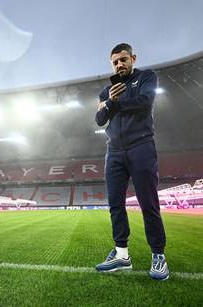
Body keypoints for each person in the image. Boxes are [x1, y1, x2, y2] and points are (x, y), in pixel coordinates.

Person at [95, 43, 168, 280]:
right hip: (114, 151)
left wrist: (114, 103)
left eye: (123, 59)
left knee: (148, 203)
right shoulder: (106, 91)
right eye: (115, 62)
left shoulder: (147, 78)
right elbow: (99, 119)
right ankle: (122, 255)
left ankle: (158, 255)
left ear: (133, 58)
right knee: (115, 204)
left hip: (141, 147)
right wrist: (108, 102)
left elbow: (145, 103)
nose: (120, 65)